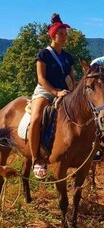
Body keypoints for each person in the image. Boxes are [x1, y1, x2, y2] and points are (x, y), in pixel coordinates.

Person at [28, 13, 75, 179]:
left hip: (65, 92)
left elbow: (72, 78)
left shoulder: (68, 57)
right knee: (36, 118)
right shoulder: (44, 54)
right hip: (46, 91)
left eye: (65, 34)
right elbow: (41, 78)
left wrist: (73, 93)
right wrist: (55, 92)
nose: (64, 37)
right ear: (53, 36)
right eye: (61, 34)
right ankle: (36, 158)